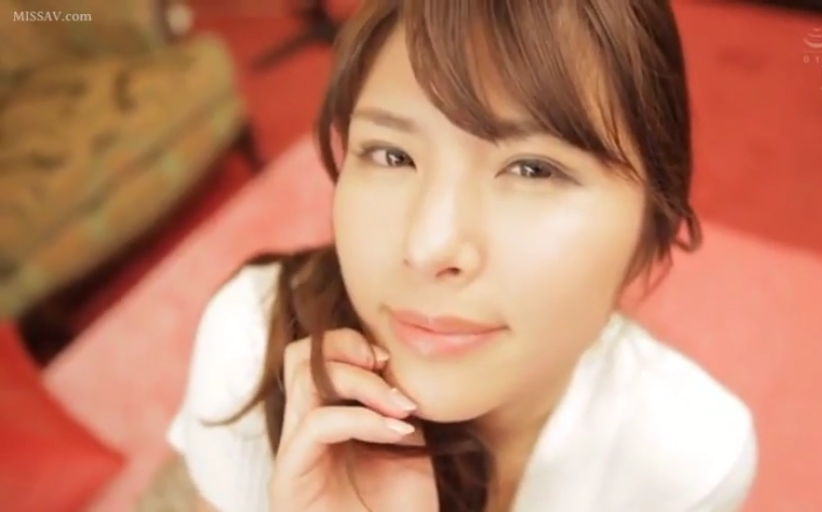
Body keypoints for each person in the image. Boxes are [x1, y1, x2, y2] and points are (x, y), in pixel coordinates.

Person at [167, 0, 758, 510]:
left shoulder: (690, 457)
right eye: (392, 155)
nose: (428, 248)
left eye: (533, 169)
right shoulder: (253, 343)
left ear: (652, 223)